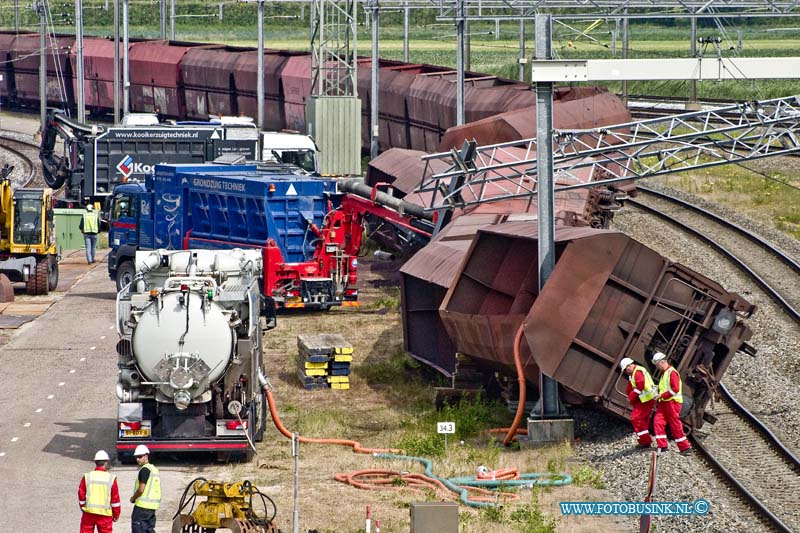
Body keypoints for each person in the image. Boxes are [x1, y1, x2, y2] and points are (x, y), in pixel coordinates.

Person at [652, 352, 692, 455]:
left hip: (672, 403)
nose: (657, 367)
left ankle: (685, 448)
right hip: (664, 403)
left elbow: (675, 389)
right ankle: (662, 445)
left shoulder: (671, 373)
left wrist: (661, 396)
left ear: (662, 362)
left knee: (675, 425)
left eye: (657, 365)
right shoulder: (665, 373)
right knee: (658, 422)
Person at [78, 450, 121, 533]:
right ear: (106, 463)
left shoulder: (87, 476)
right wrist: (116, 514)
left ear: (95, 462)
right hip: (104, 515)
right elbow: (115, 499)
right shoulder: (111, 478)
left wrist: (83, 506)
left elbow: (81, 494)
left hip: (89, 512)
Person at [620, 357, 656, 449]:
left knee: (636, 418)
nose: (626, 371)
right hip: (647, 399)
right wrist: (630, 395)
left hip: (647, 399)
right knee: (643, 420)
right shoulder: (635, 373)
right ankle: (645, 441)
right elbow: (631, 387)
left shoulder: (638, 372)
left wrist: (631, 397)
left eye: (625, 370)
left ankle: (645, 440)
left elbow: (640, 385)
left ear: (629, 366)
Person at [130, 445, 161, 533]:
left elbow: (141, 489)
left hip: (142, 508)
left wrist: (133, 498)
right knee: (149, 530)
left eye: (140, 457)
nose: (137, 459)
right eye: (136, 457)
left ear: (146, 456)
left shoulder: (144, 470)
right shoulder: (154, 469)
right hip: (151, 508)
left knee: (138, 529)